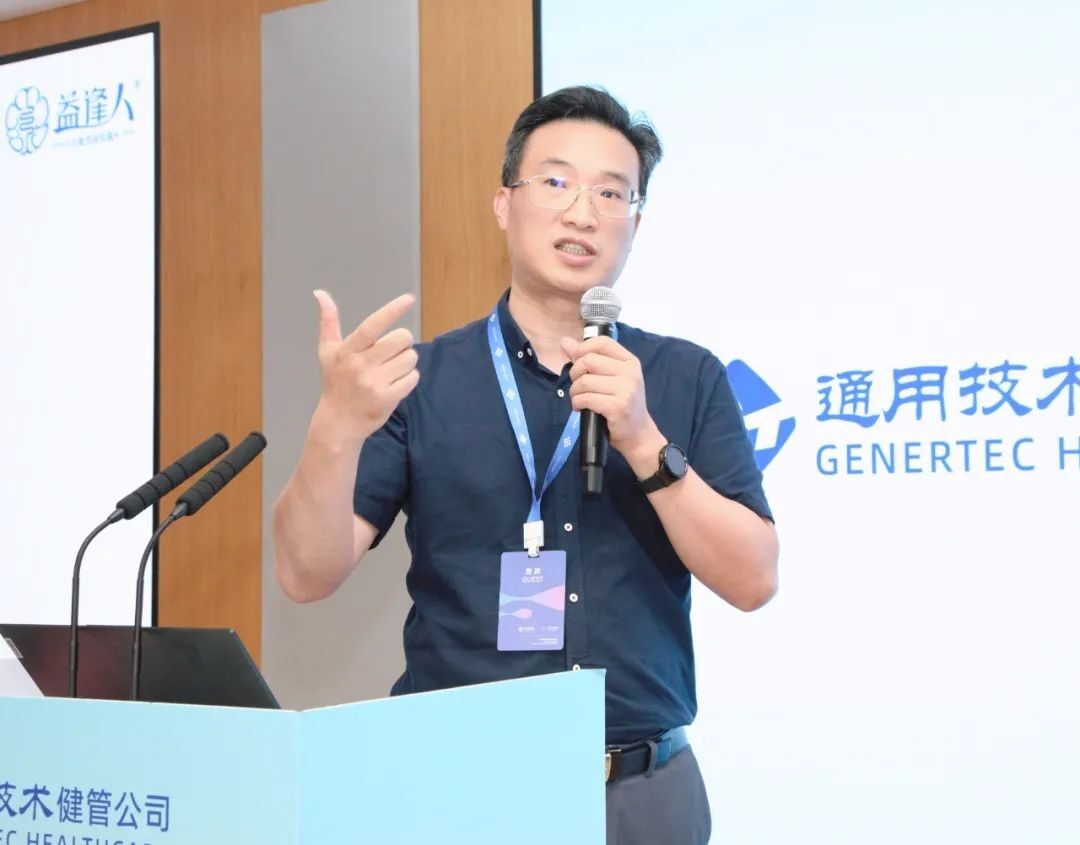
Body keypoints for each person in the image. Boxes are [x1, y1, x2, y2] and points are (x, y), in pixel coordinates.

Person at [272, 85, 778, 844]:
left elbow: (754, 579)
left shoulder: (686, 377)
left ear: (635, 223)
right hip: (455, 788)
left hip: (638, 795)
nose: (583, 212)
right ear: (504, 204)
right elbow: (305, 573)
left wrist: (643, 440)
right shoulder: (425, 381)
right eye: (556, 181)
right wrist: (333, 431)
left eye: (612, 193)